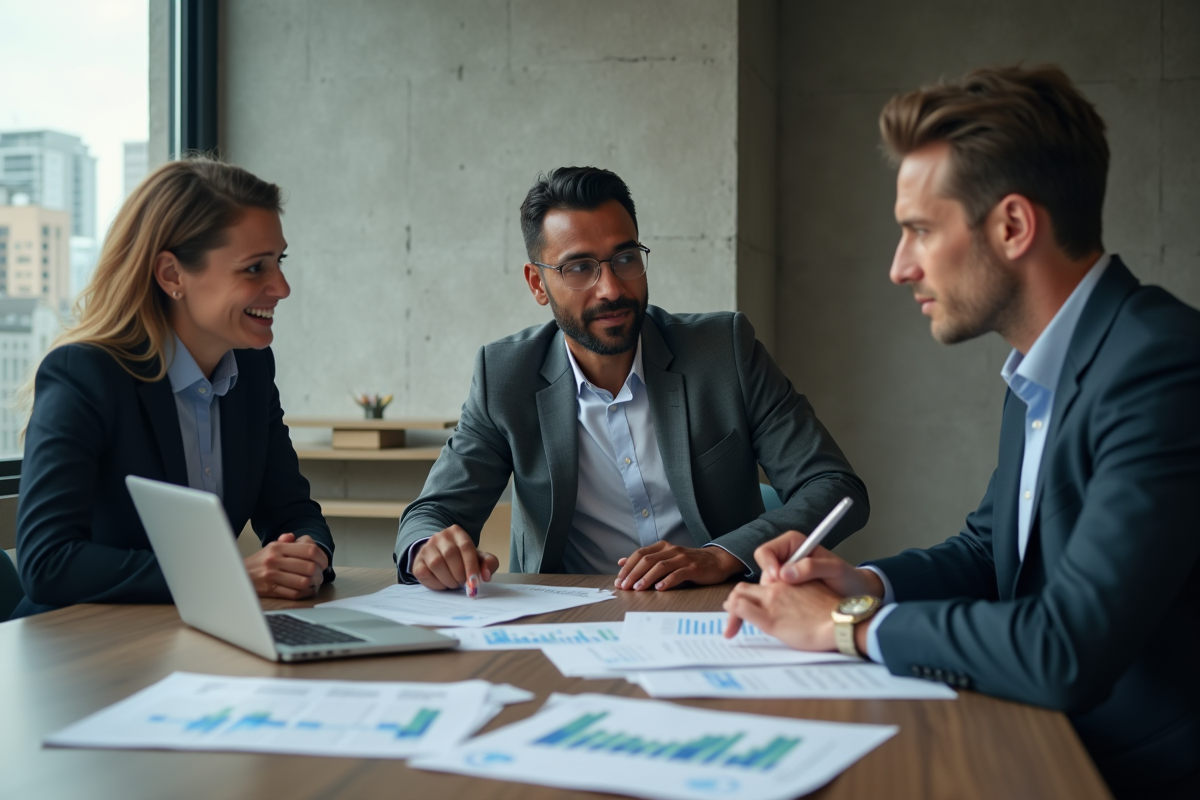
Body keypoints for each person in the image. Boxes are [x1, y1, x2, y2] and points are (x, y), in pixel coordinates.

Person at [722, 65, 1200, 799]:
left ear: (1012, 226)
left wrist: (846, 625)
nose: (898, 267)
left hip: (1130, 772)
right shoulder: (1041, 367)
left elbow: (1066, 646)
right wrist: (862, 582)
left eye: (918, 230)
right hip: (1040, 738)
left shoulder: (1161, 365)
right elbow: (992, 552)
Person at [395, 166, 868, 593]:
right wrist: (429, 549)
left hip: (717, 608)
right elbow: (430, 515)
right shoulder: (505, 376)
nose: (612, 288)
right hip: (567, 620)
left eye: (624, 258)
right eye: (579, 268)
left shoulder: (724, 351)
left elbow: (833, 486)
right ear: (538, 284)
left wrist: (720, 556)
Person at [12, 157, 335, 619]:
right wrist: (228, 574)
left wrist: (308, 554)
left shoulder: (252, 370)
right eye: (253, 269)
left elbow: (290, 510)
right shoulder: (85, 373)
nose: (281, 286)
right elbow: (48, 562)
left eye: (279, 262)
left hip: (188, 636)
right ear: (172, 275)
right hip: (73, 649)